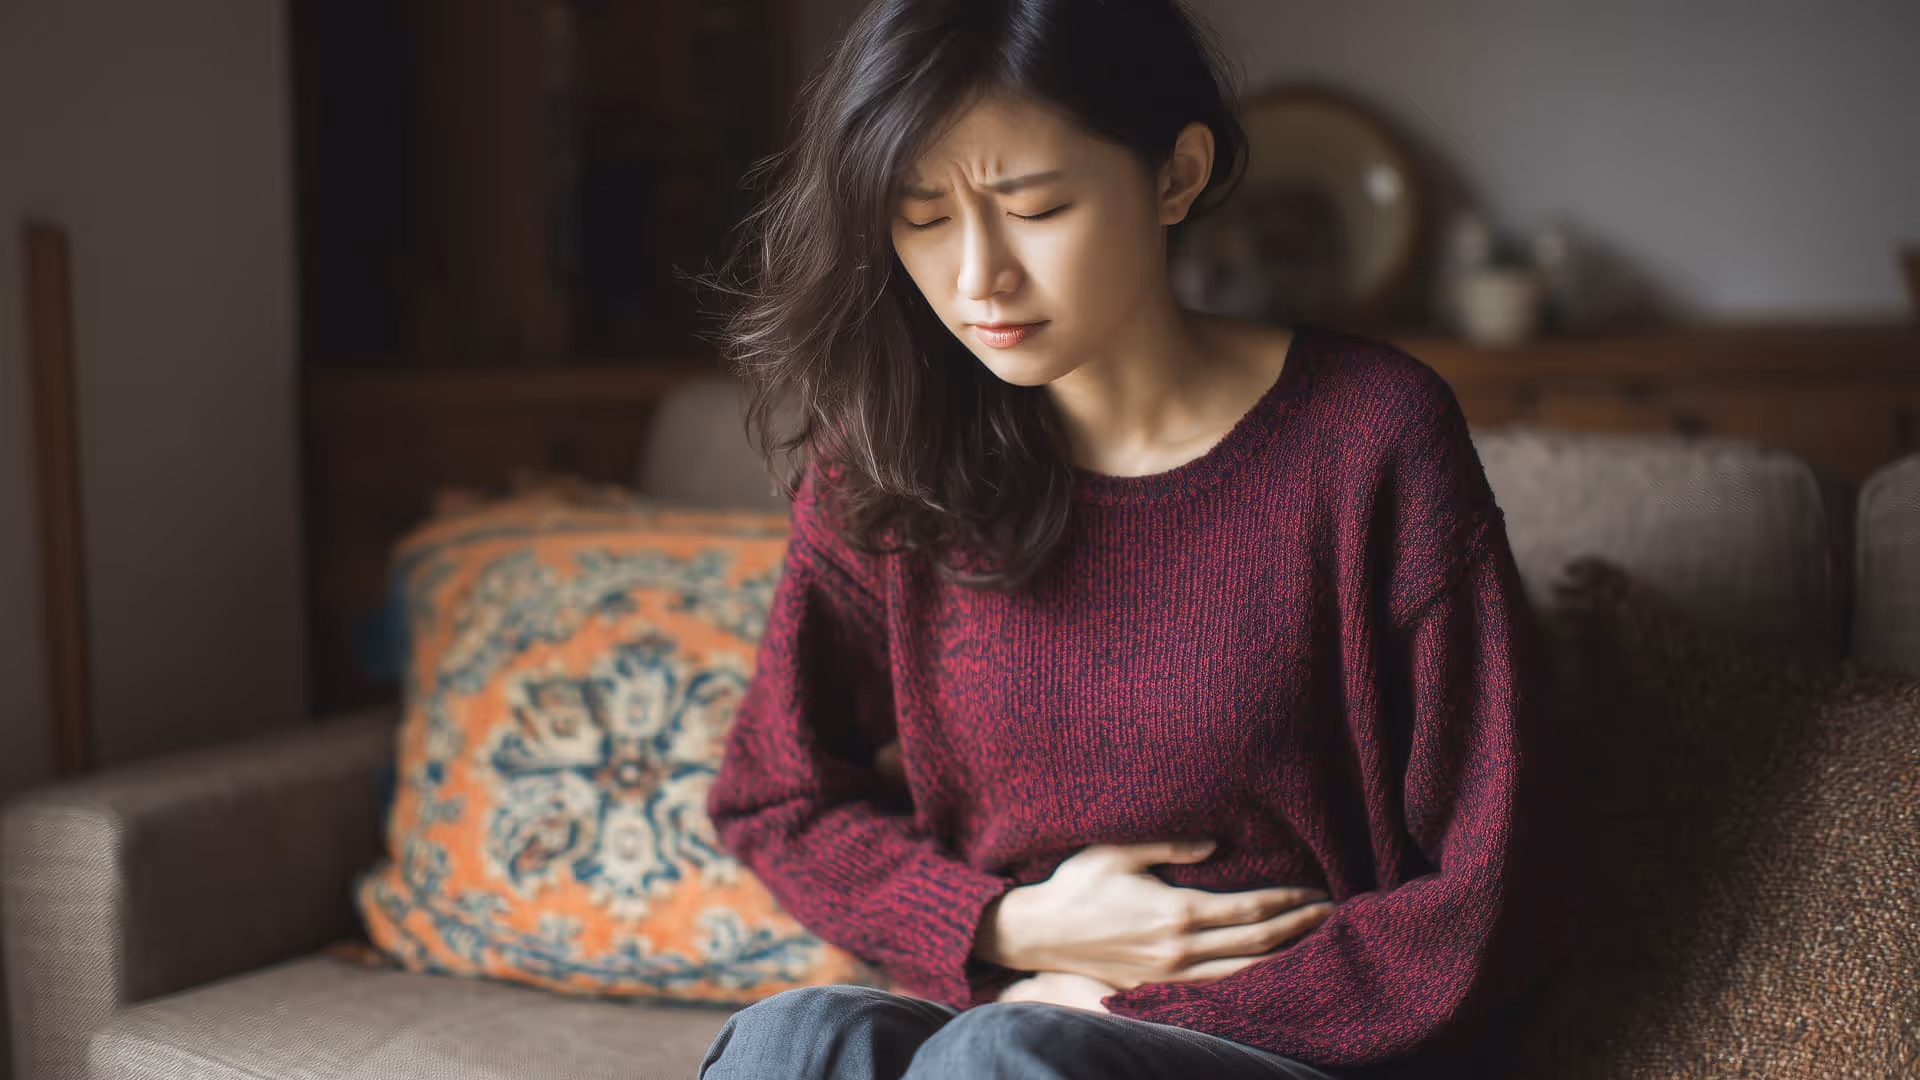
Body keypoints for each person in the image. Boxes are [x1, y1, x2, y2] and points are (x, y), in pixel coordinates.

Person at [691, 1, 1573, 1076]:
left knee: (1004, 1060)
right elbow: (775, 797)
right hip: (1005, 1018)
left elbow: (1497, 894)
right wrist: (1007, 929)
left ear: (1175, 175)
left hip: (1286, 1045)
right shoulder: (887, 454)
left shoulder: (1369, 438)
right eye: (921, 216)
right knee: (800, 1036)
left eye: (1036, 207)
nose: (979, 279)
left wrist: (1119, 1011)